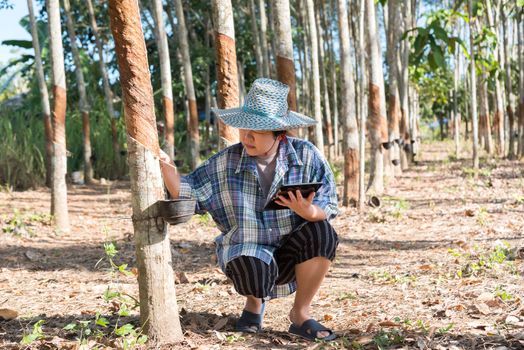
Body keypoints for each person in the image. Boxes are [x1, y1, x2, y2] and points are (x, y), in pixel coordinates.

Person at [159, 78, 339, 341]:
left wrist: (309, 212)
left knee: (323, 233)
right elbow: (188, 190)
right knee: (252, 266)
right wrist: (166, 166)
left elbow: (329, 202)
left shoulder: (308, 156)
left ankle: (300, 314)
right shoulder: (226, 161)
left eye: (258, 130)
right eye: (245, 128)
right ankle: (254, 305)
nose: (247, 136)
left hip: (292, 250)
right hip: (248, 250)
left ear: (280, 134)